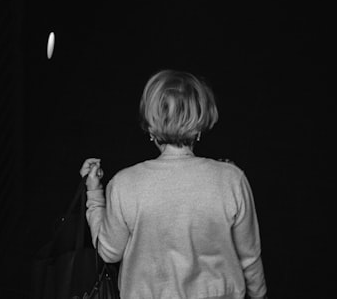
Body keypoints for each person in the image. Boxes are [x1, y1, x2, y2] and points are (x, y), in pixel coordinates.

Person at [80, 69, 267, 299]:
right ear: (199, 125)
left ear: (150, 127)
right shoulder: (231, 180)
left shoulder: (124, 184)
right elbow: (249, 256)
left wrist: (95, 195)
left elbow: (108, 252)